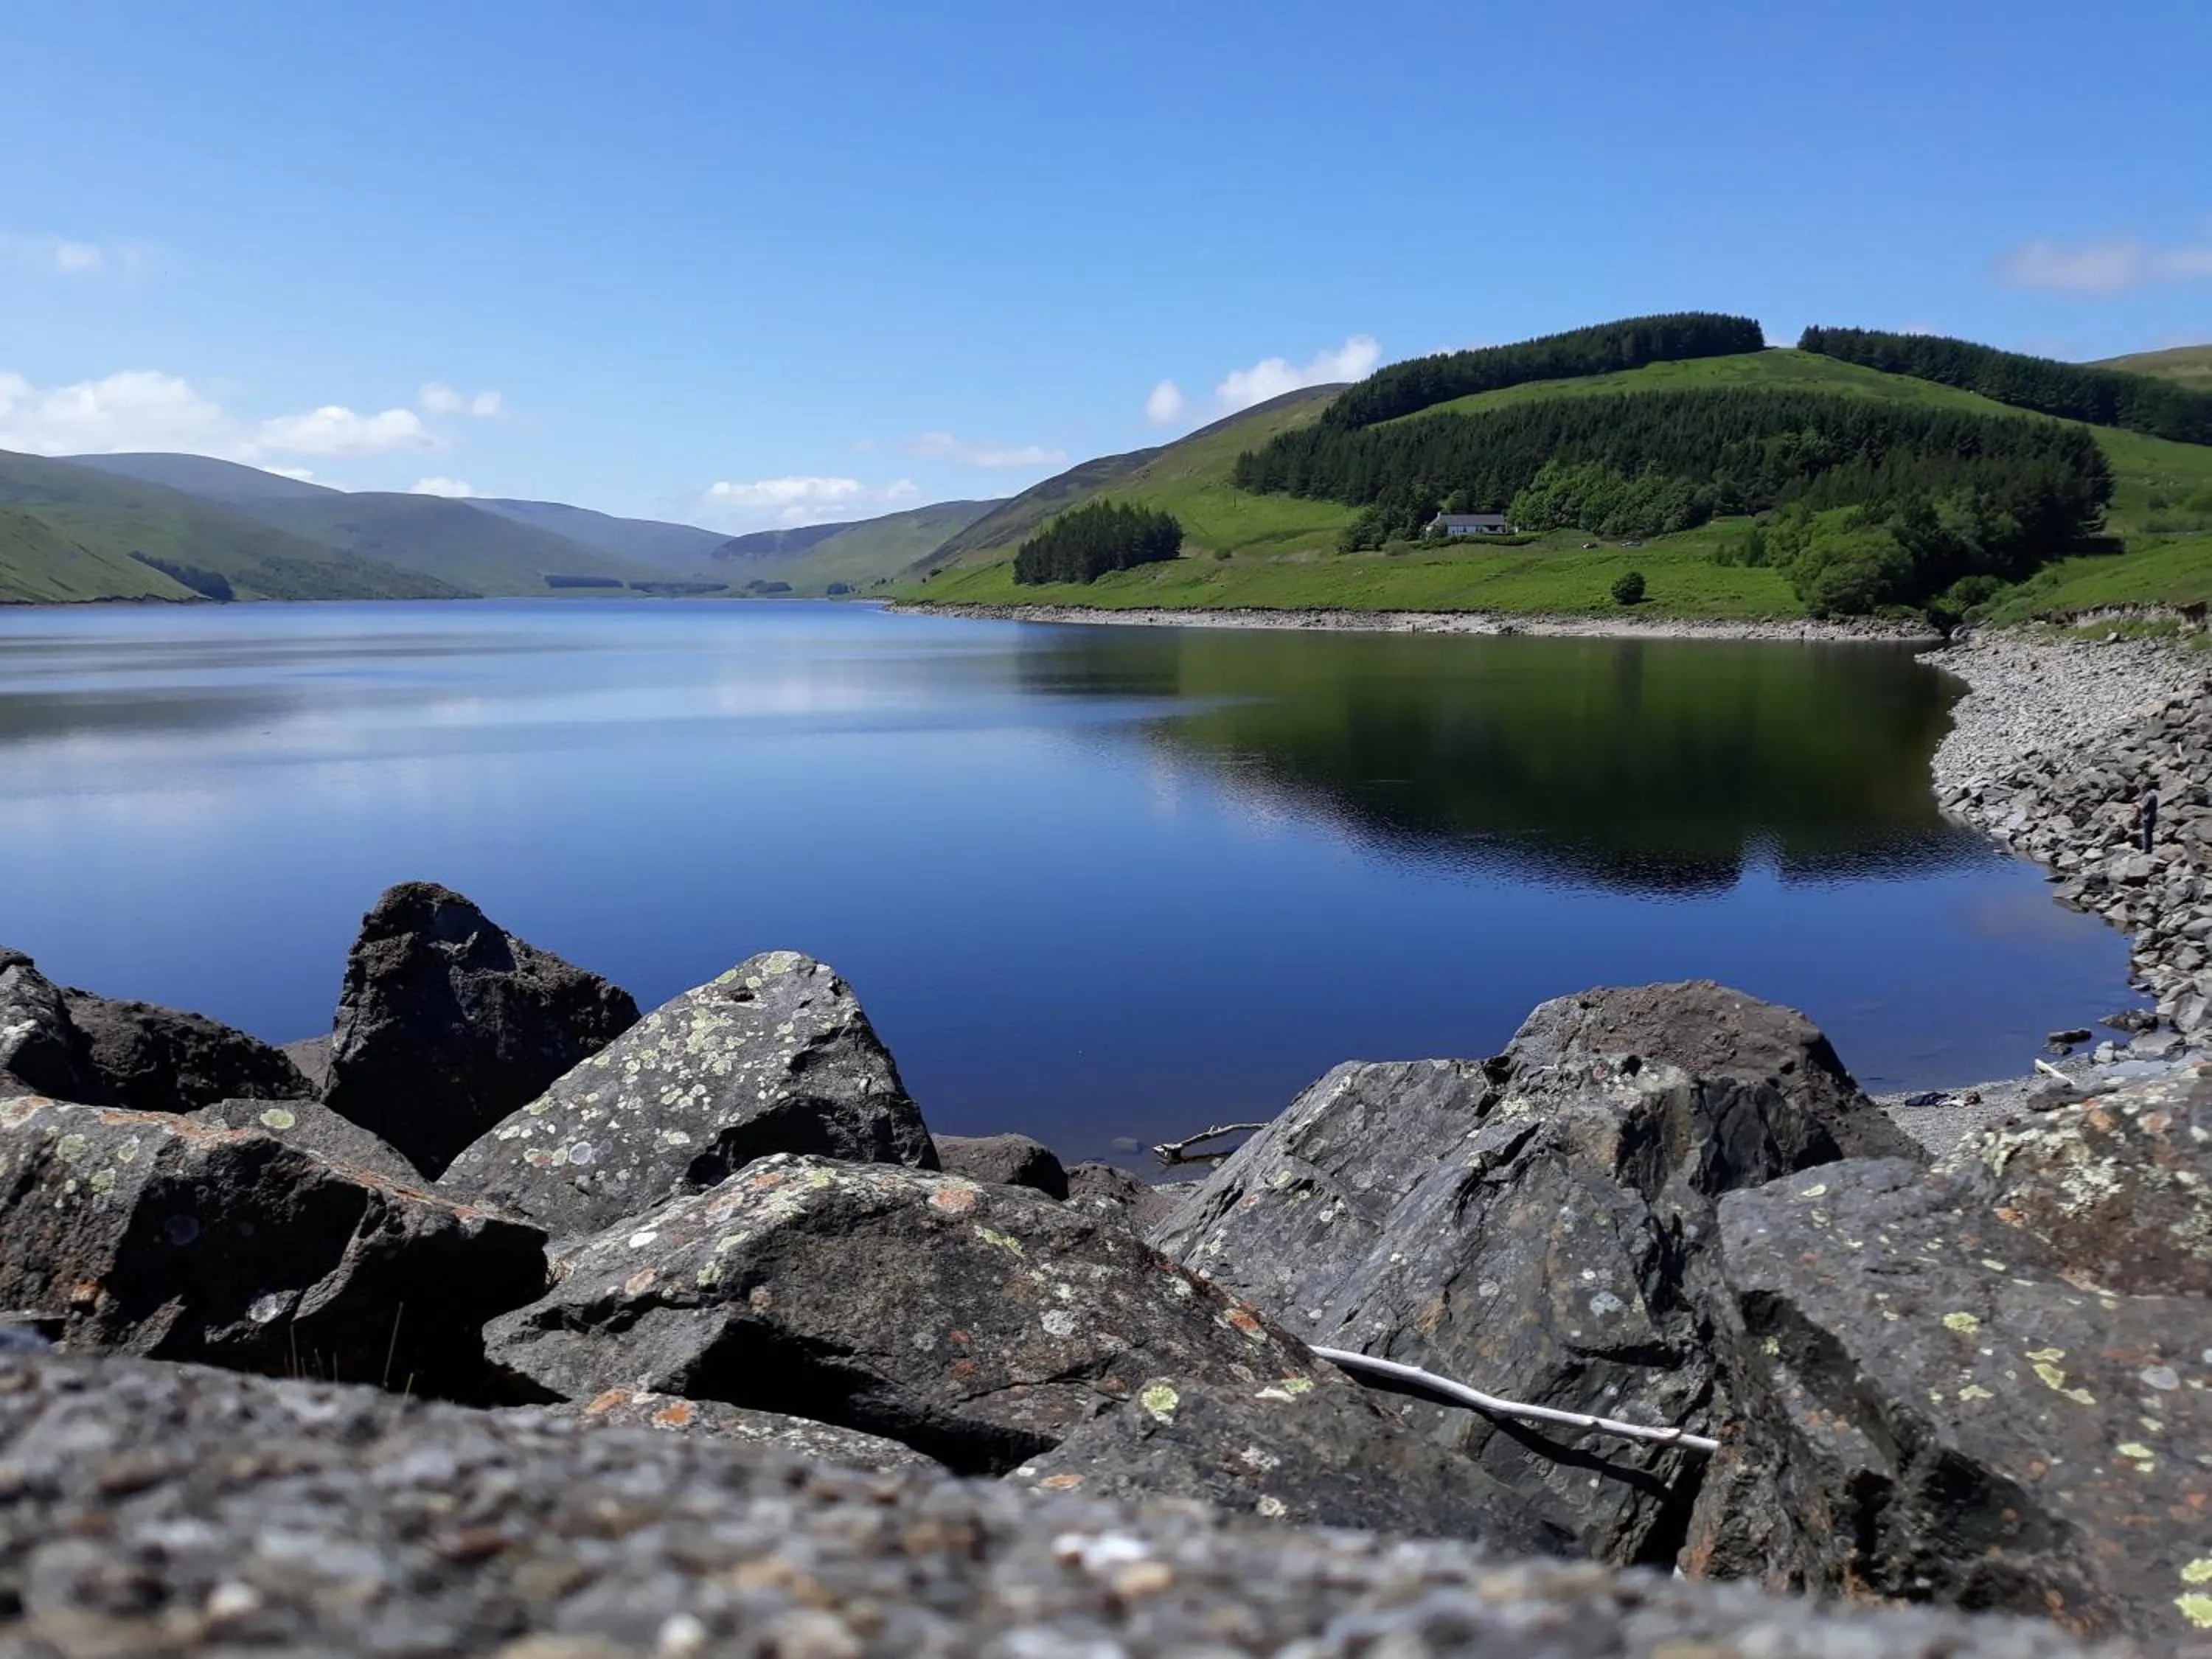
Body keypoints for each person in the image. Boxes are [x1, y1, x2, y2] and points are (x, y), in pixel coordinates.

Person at [2139, 784, 2160, 855]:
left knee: (2146, 835)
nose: (2141, 790)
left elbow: (2142, 807)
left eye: (2142, 788)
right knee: (2149, 834)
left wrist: (2136, 804)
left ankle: (2147, 850)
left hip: (2147, 817)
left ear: (2145, 788)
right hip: (2153, 816)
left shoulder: (2148, 796)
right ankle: (2148, 849)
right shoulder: (2154, 795)